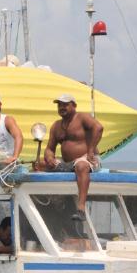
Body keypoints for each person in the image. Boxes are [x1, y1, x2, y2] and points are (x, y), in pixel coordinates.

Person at [36, 93, 103, 222]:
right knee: (39, 164)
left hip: (87, 159)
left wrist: (90, 151)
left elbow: (98, 128)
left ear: (74, 105)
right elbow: (50, 148)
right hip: (67, 162)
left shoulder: (83, 117)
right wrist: (49, 157)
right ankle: (44, 206)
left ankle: (81, 208)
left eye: (65, 104)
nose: (62, 107)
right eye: (59, 105)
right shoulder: (56, 126)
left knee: (81, 166)